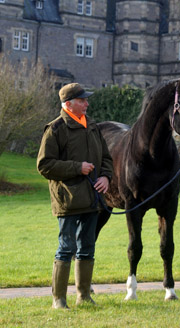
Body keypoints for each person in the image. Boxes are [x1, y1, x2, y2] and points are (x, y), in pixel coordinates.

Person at [37, 83, 113, 309]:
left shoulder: (93, 126)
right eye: (83, 101)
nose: (87, 104)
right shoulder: (55, 129)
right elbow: (44, 165)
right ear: (69, 104)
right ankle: (59, 300)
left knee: (87, 247)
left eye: (86, 100)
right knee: (66, 248)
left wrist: (106, 177)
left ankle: (84, 296)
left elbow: (106, 158)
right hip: (67, 200)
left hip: (92, 199)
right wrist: (77, 167)